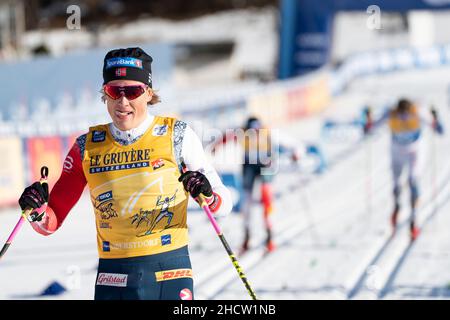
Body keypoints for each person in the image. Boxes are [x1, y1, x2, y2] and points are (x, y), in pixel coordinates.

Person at [17, 47, 232, 300]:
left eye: (132, 91)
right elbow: (49, 224)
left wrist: (207, 192)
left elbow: (223, 203)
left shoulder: (178, 135)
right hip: (113, 277)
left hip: (169, 272)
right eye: (113, 91)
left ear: (148, 93)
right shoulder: (86, 147)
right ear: (104, 94)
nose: (123, 102)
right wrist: (37, 210)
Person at [211, 116, 307, 254]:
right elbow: (227, 137)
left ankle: (269, 236)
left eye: (256, 131)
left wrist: (297, 153)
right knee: (246, 202)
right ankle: (247, 236)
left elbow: (292, 143)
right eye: (251, 132)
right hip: (249, 166)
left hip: (266, 166)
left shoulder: (269, 132)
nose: (253, 135)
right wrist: (217, 146)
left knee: (266, 197)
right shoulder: (242, 132)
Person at [363, 99, 444, 241]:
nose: (404, 118)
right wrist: (368, 120)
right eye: (401, 115)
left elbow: (438, 129)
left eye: (406, 115)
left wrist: (436, 118)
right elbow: (371, 128)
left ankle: (413, 221)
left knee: (413, 180)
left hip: (414, 151)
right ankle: (397, 206)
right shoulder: (391, 113)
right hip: (397, 152)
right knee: (397, 184)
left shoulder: (418, 112)